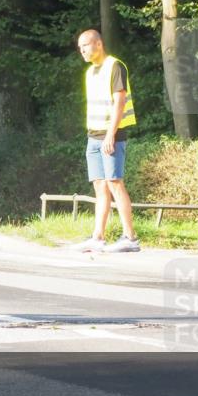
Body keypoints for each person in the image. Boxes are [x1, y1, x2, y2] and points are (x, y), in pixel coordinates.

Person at [75, 29, 140, 253]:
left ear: (98, 44)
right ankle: (98, 237)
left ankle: (130, 238)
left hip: (111, 135)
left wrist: (111, 135)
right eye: (80, 47)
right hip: (93, 136)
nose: (82, 50)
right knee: (100, 186)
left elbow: (119, 102)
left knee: (115, 183)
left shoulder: (115, 66)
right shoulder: (90, 72)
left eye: (85, 45)